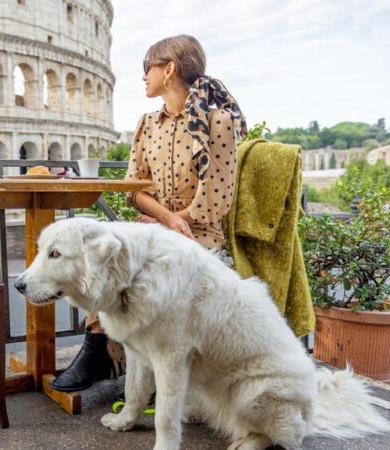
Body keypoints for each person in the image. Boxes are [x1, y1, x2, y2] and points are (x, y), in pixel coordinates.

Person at [50, 34, 246, 392]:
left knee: (134, 266)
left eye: (147, 68)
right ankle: (98, 350)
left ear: (169, 69)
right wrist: (162, 219)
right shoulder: (146, 124)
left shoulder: (217, 121)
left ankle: (133, 366)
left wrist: (172, 221)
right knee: (102, 257)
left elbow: (215, 201)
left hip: (196, 235)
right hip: (157, 228)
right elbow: (132, 190)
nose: (143, 76)